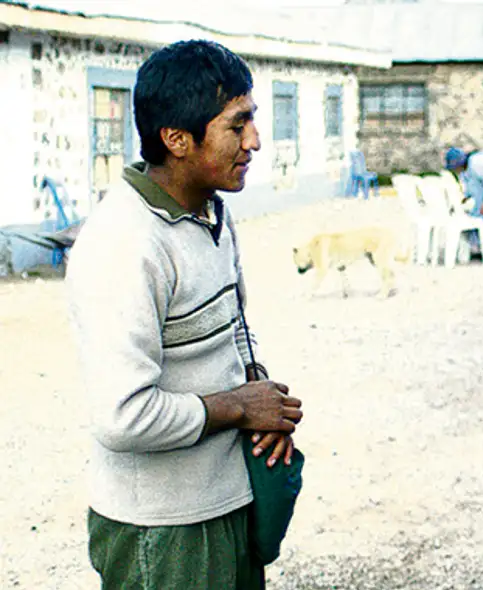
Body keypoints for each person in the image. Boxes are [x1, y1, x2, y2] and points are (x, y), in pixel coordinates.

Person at [66, 40, 304, 589]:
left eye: (254, 121)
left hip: (229, 502)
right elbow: (121, 417)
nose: (255, 142)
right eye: (236, 125)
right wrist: (239, 408)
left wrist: (263, 399)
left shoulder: (212, 212)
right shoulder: (123, 244)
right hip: (163, 533)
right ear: (176, 139)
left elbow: (235, 333)